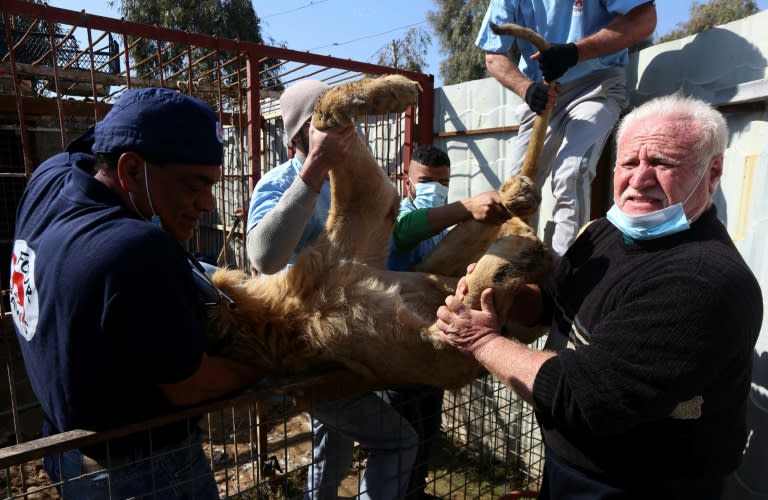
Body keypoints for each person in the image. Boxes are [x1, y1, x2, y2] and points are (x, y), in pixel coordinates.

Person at [435, 94, 763, 498]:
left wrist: (480, 339)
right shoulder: (603, 233)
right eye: (629, 163)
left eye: (662, 163)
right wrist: (501, 292)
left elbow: (585, 397)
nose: (639, 179)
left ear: (712, 173)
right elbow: (552, 304)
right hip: (573, 468)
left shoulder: (701, 279)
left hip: (640, 486)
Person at [8, 88, 262, 499]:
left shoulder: (50, 179)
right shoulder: (139, 250)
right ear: (129, 171)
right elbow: (192, 385)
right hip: (142, 473)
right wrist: (267, 364)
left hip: (67, 450)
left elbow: (87, 145)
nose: (208, 203)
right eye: (194, 185)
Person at [246, 80, 418, 500]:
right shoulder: (281, 181)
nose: (345, 127)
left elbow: (385, 241)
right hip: (307, 349)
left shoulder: (355, 179)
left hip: (349, 340)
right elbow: (263, 258)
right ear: (299, 134)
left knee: (333, 441)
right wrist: (313, 170)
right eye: (329, 119)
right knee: (398, 441)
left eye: (347, 118)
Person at [475, 0, 657, 255]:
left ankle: (565, 271)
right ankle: (516, 261)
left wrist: (575, 52)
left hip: (597, 85)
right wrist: (525, 88)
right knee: (517, 188)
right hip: (542, 91)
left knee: (571, 172)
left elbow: (644, 18)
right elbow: (493, 55)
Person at [382, 143, 511, 499]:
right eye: (425, 181)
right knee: (399, 433)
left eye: (443, 182)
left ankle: (415, 491)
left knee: (427, 427)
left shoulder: (447, 226)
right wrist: (466, 208)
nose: (434, 189)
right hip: (400, 345)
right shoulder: (397, 214)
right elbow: (403, 232)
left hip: (438, 341)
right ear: (408, 182)